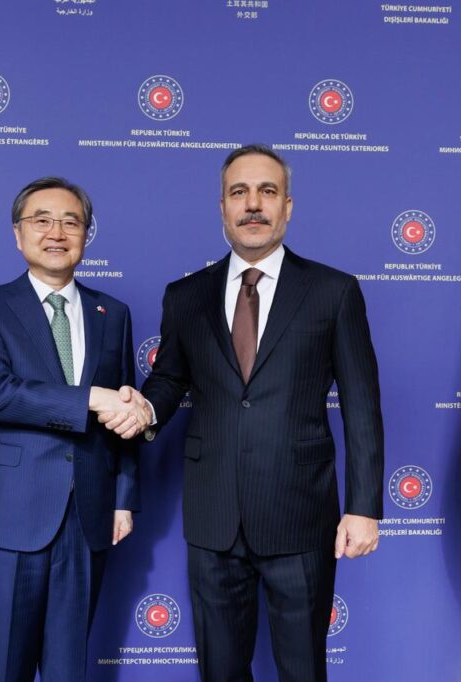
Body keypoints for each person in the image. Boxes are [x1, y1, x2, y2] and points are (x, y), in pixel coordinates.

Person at [109, 145, 383, 681]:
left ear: (287, 206)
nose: (252, 204)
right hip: (214, 518)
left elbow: (362, 404)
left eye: (267, 192)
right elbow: (168, 380)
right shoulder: (185, 296)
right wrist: (142, 409)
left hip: (302, 516)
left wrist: (365, 506)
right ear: (222, 207)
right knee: (220, 672)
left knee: (303, 670)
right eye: (239, 192)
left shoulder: (334, 291)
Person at [0, 177, 148, 682]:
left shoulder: (114, 313)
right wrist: (90, 398)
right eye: (41, 220)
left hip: (89, 513)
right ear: (18, 234)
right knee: (9, 667)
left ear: (87, 235)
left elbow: (125, 415)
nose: (57, 232)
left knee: (70, 668)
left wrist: (124, 496)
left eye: (71, 221)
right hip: (11, 511)